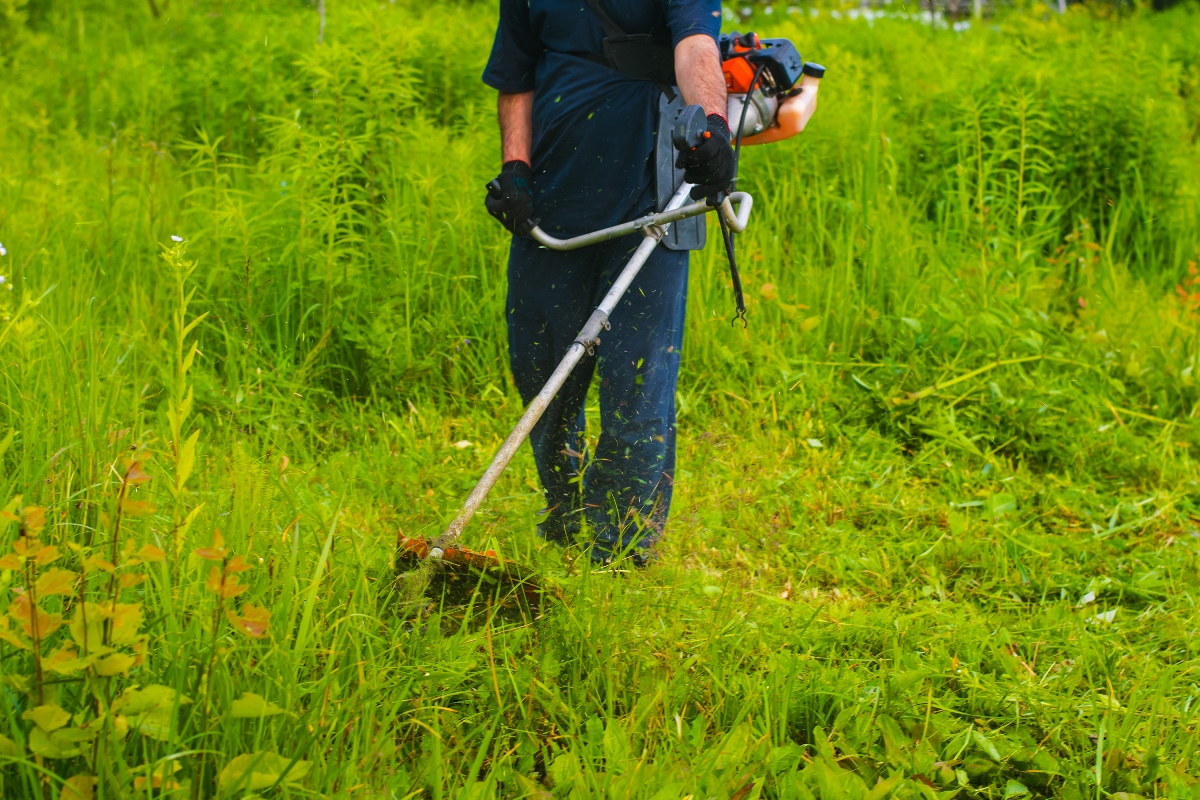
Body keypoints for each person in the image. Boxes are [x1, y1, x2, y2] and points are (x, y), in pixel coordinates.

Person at [482, 0, 734, 566]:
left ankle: (620, 552)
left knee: (637, 383)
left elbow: (696, 46)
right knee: (539, 368)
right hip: (552, 197)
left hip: (655, 194)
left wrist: (714, 127)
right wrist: (515, 168)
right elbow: (516, 77)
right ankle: (566, 516)